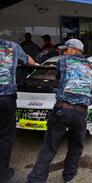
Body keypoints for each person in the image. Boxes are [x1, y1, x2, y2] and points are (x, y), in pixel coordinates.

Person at [26, 39, 92, 183]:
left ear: (75, 49)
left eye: (67, 48)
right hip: (81, 112)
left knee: (49, 147)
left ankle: (35, 180)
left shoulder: (64, 61)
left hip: (62, 109)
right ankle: (69, 176)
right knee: (76, 145)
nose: (64, 51)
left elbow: (58, 78)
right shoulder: (91, 66)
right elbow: (91, 91)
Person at [0, 39, 38, 183]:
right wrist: (35, 64)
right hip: (5, 98)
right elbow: (28, 60)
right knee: (5, 135)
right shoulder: (12, 46)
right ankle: (2, 173)